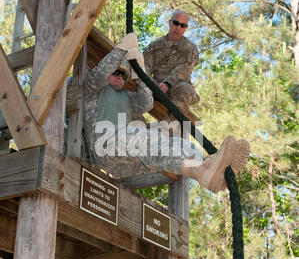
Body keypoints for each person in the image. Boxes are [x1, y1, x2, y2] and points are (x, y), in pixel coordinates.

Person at [83, 33, 250, 193]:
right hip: (103, 146)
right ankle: (205, 171)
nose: (120, 77)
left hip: (124, 162)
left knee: (175, 144)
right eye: (116, 72)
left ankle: (205, 171)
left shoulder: (127, 98)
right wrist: (122, 49)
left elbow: (146, 102)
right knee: (146, 136)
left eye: (124, 75)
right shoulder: (94, 90)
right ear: (109, 73)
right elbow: (98, 75)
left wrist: (140, 73)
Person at [143, 10, 200, 121]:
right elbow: (145, 66)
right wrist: (151, 83)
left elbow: (184, 70)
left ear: (185, 28)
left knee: (184, 89)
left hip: (178, 87)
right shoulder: (154, 46)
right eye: (176, 23)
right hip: (157, 86)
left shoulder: (190, 48)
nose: (178, 27)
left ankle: (169, 126)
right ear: (170, 22)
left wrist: (168, 83)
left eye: (182, 25)